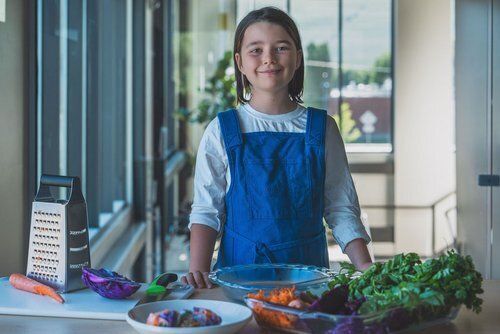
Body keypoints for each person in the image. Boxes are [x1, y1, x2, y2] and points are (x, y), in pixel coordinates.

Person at [181, 6, 372, 289]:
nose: (268, 58)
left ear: (297, 58)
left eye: (281, 48)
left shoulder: (323, 129)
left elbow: (340, 208)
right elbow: (207, 210)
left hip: (308, 282)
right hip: (237, 281)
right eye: (255, 50)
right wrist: (198, 271)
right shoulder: (221, 130)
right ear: (240, 62)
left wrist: (366, 267)